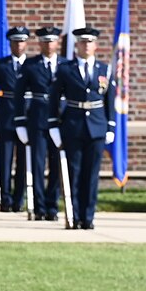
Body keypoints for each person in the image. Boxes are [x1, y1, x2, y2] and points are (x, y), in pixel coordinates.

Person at [51, 24, 112, 230]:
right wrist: (54, 125)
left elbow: (109, 100)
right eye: (83, 42)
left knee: (91, 175)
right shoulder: (65, 69)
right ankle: (75, 215)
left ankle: (88, 217)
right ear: (77, 45)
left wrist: (110, 126)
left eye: (90, 42)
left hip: (96, 126)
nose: (86, 46)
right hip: (73, 125)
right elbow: (54, 99)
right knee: (74, 173)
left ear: (95, 45)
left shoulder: (104, 69)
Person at [0, 26, 30, 212]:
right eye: (15, 41)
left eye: (22, 41)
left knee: (24, 161)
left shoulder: (32, 65)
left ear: (26, 43)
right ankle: (5, 199)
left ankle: (19, 199)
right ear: (10, 43)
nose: (18, 45)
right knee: (4, 160)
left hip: (26, 117)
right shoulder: (0, 64)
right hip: (5, 116)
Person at [19, 25, 63, 221]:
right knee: (37, 164)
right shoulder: (30, 65)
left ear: (57, 42)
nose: (48, 45)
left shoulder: (66, 65)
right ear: (39, 43)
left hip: (60, 121)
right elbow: (18, 95)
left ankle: (52, 205)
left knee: (57, 165)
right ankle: (39, 206)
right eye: (45, 41)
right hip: (37, 119)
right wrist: (20, 121)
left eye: (52, 41)